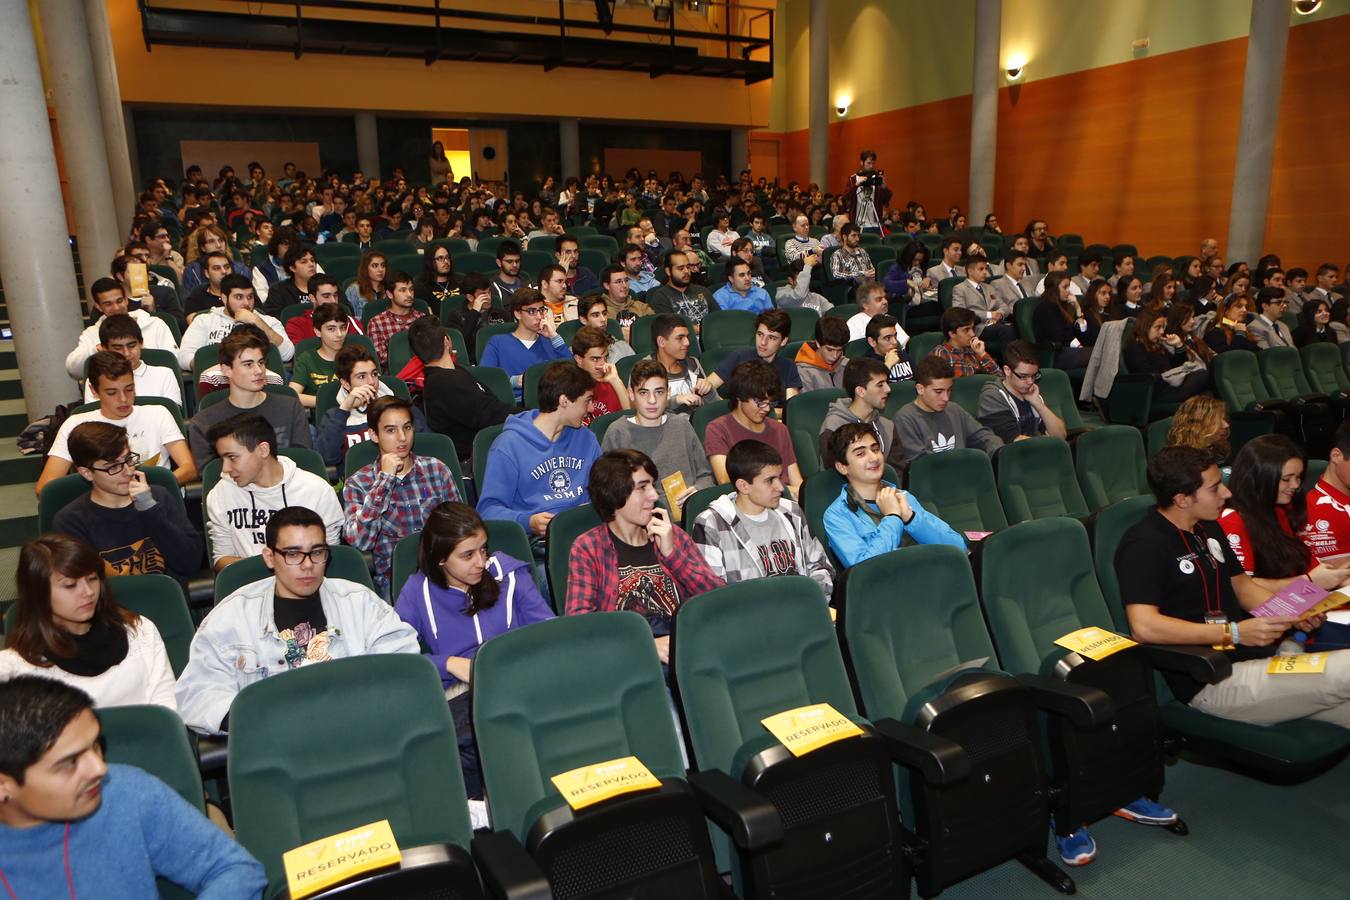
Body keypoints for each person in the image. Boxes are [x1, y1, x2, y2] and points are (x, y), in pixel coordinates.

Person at [1117, 446, 1350, 731]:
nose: (1227, 493)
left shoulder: (1208, 527)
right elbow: (1144, 627)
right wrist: (1233, 632)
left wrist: (1296, 611)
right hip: (1212, 680)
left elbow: (1243, 588)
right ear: (1182, 499)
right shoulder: (1144, 544)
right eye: (1215, 488)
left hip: (1257, 659)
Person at [0, 677, 267, 897]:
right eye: (69, 763)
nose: (100, 769)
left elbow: (235, 869)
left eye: (96, 745)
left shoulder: (125, 791)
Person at [177, 507, 420, 734]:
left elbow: (402, 661)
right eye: (293, 554)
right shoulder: (232, 615)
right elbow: (198, 694)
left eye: (317, 552)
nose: (308, 565)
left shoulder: (359, 601)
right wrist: (262, 720)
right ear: (270, 557)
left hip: (356, 732)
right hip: (275, 746)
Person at [394, 503, 553, 799]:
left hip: (518, 677)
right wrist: (448, 663)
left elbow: (547, 632)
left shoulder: (508, 572)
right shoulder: (418, 591)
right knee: (466, 744)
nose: (480, 562)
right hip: (462, 691)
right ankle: (482, 817)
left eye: (483, 549)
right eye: (467, 555)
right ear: (440, 558)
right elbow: (397, 663)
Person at [564, 449, 724, 666]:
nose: (654, 495)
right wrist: (645, 644)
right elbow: (580, 626)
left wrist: (671, 555)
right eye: (642, 487)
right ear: (614, 493)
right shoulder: (588, 548)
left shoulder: (671, 534)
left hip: (688, 652)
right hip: (631, 661)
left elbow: (719, 599)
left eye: (651, 485)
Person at [0, 534, 178, 709]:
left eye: (92, 579)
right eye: (70, 585)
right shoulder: (14, 668)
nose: (88, 592)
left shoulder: (140, 630)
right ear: (38, 592)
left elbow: (168, 710)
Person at [52, 423, 201, 583]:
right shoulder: (71, 521)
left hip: (166, 600)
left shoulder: (159, 497)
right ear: (87, 473)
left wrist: (149, 508)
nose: (128, 471)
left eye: (128, 459)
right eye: (113, 466)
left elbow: (190, 564)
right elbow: (86, 588)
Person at [344, 397, 459, 598]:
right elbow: (360, 542)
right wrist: (384, 481)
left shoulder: (436, 469)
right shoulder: (358, 483)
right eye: (391, 430)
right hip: (396, 582)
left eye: (407, 427)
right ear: (374, 435)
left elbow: (460, 527)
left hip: (444, 573)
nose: (402, 437)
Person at [691, 440, 834, 599]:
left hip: (801, 610)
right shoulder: (711, 524)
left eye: (779, 477)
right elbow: (712, 597)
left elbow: (821, 567)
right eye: (769, 480)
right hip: (752, 619)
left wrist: (810, 601)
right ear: (743, 486)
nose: (780, 487)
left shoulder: (792, 512)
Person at [39, 352, 196, 497]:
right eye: (112, 393)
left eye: (129, 389)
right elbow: (45, 488)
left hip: (155, 501)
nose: (123, 399)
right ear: (94, 390)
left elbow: (189, 468)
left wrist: (148, 490)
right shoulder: (75, 424)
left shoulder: (158, 413)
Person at [477, 362, 601, 541]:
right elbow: (488, 510)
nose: (591, 409)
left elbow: (604, 491)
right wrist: (527, 521)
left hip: (587, 535)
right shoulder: (508, 446)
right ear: (564, 401)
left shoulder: (587, 439)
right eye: (587, 401)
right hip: (539, 544)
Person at [205, 413, 342, 573]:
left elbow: (330, 553)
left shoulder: (317, 490)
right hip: (251, 587)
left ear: (263, 450)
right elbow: (222, 558)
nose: (225, 468)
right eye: (223, 459)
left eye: (233, 458)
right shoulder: (220, 494)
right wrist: (271, 569)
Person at [822, 422, 964, 568]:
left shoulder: (903, 497)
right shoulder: (837, 515)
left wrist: (910, 518)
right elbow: (865, 570)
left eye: (876, 449)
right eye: (861, 454)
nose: (874, 458)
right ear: (842, 467)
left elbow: (958, 547)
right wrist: (893, 518)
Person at [600, 359, 714, 516]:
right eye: (643, 393)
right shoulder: (617, 433)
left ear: (668, 393)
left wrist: (698, 491)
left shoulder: (682, 425)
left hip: (690, 518)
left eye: (659, 392)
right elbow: (607, 491)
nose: (652, 400)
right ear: (631, 394)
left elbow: (706, 476)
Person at [187, 328, 312, 471]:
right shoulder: (204, 422)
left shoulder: (291, 408)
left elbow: (303, 463)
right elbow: (211, 476)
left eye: (261, 362)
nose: (258, 371)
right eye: (248, 364)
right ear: (227, 370)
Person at [411, 318, 518, 461]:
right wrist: (532, 414)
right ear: (447, 341)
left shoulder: (449, 374)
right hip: (478, 458)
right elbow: (490, 414)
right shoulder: (446, 383)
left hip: (491, 444)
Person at [704, 360, 804, 493]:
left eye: (770, 402)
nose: (766, 408)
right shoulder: (718, 430)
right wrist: (782, 490)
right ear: (740, 396)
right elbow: (726, 481)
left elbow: (797, 483)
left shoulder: (780, 429)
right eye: (760, 402)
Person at [894, 356, 1003, 465]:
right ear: (920, 389)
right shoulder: (905, 418)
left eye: (949, 390)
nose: (946, 398)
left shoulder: (954, 409)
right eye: (938, 391)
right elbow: (921, 463)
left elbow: (984, 436)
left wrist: (998, 452)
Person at [65, 277, 179, 381]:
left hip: (156, 386)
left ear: (126, 300)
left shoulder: (155, 324)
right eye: (108, 304)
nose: (116, 308)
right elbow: (73, 370)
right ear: (98, 307)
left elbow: (174, 360)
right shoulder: (91, 333)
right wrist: (98, 350)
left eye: (119, 301)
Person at [177, 274, 294, 373]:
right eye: (239, 297)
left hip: (260, 379)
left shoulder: (269, 322)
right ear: (224, 298)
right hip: (218, 380)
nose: (246, 303)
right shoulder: (204, 321)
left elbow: (287, 354)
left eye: (250, 297)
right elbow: (184, 358)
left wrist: (256, 321)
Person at [480, 288, 572, 401]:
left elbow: (572, 372)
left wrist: (554, 336)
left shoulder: (551, 342)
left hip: (549, 403)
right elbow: (485, 379)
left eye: (542, 310)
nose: (539, 316)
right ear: (517, 314)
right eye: (532, 311)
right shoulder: (497, 342)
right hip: (514, 405)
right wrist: (513, 381)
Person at [820, 357, 907, 470]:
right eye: (880, 385)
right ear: (861, 391)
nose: (888, 389)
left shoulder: (887, 426)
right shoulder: (833, 426)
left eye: (886, 383)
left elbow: (896, 472)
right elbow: (834, 473)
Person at [82, 314, 183, 410]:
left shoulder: (164, 375)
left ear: (141, 343)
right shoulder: (94, 380)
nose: (126, 353)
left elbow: (172, 416)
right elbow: (94, 419)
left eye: (131, 346)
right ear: (104, 349)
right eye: (118, 348)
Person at [977, 340, 1069, 442]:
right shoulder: (991, 396)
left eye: (1034, 375)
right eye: (1023, 376)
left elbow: (1060, 436)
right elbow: (1015, 441)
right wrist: (1046, 442)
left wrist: (1038, 404)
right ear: (1007, 370)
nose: (1030, 382)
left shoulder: (1031, 393)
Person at [706, 309, 803, 399]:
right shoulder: (739, 357)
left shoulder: (788, 366)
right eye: (760, 334)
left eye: (771, 338)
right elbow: (707, 387)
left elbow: (790, 408)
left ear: (783, 341)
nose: (763, 342)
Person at [1124, 309, 1211, 404]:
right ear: (1145, 327)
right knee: (1202, 375)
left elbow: (1176, 366)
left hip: (1170, 387)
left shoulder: (1158, 345)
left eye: (1163, 327)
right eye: (1158, 328)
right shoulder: (1133, 349)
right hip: (1156, 393)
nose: (1162, 332)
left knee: (1206, 392)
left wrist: (1178, 346)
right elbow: (1149, 375)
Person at [289, 301, 352, 408]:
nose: (339, 334)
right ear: (318, 332)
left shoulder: (355, 356)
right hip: (322, 419)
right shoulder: (307, 359)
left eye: (342, 327)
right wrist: (333, 402)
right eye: (331, 329)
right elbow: (292, 395)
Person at [647, 313, 713, 414]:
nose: (687, 342)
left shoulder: (693, 363)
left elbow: (713, 406)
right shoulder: (644, 369)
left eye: (687, 337)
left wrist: (709, 391)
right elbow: (640, 408)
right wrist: (674, 401)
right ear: (661, 342)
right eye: (680, 338)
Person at [1033, 271, 1094, 368]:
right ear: (1054, 289)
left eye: (1068, 287)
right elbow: (1057, 335)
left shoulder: (1065, 306)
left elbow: (1083, 336)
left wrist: (1078, 309)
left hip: (1069, 351)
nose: (1068, 291)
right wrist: (1076, 344)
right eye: (1065, 287)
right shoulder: (1045, 307)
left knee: (1100, 353)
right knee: (1097, 355)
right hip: (1056, 354)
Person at [571, 326, 631, 425]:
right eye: (595, 359)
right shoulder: (567, 388)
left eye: (605, 357)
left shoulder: (609, 382)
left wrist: (616, 381)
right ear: (579, 359)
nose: (603, 365)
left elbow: (631, 418)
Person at [365, 270, 424, 368]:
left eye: (411, 289)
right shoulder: (377, 322)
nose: (409, 294)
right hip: (396, 374)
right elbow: (381, 358)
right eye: (403, 290)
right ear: (389, 294)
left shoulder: (422, 318)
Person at [951, 255, 1016, 343]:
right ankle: (1011, 356)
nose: (985, 272)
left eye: (986, 268)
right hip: (977, 327)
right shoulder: (960, 288)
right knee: (1007, 330)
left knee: (1015, 326)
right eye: (981, 269)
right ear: (970, 271)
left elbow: (1004, 307)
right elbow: (960, 312)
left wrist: (999, 314)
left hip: (995, 323)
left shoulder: (989, 287)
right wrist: (989, 315)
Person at [646, 250, 718, 326]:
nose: (686, 271)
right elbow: (669, 328)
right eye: (681, 268)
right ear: (668, 271)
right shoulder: (661, 297)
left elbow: (718, 317)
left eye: (688, 267)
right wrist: (701, 329)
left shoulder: (702, 290)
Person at [934, 307, 999, 377]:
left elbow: (1000, 378)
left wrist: (982, 354)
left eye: (972, 328)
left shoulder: (973, 349)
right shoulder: (942, 354)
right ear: (952, 334)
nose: (973, 334)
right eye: (966, 330)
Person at [596, 266, 654, 344]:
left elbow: (657, 327)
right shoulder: (601, 311)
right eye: (618, 282)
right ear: (607, 286)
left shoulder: (641, 307)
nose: (625, 286)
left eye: (626, 280)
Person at [1166, 395, 1232, 463]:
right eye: (1216, 422)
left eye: (1224, 419)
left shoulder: (1218, 449)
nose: (1226, 425)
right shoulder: (1179, 460)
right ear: (1197, 425)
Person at [795, 315, 850, 391]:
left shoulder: (846, 365)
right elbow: (806, 402)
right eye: (830, 350)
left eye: (839, 350)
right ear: (818, 343)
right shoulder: (803, 370)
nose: (835, 356)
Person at [847, 280, 906, 345]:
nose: (885, 301)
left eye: (885, 298)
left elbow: (905, 343)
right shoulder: (855, 323)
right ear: (865, 305)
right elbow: (852, 351)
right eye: (879, 299)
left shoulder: (888, 318)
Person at [345, 250, 388, 320]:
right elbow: (349, 318)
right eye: (375, 266)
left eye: (383, 265)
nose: (380, 269)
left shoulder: (390, 288)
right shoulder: (354, 289)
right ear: (365, 268)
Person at [489, 240, 525, 306]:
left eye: (517, 261)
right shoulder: (490, 288)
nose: (514, 265)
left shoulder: (528, 285)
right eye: (509, 261)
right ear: (499, 263)